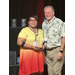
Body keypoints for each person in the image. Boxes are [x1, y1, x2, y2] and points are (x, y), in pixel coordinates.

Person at [42, 6, 65, 75]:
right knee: (50, 73)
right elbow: (45, 36)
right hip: (48, 51)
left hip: (57, 50)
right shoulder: (44, 23)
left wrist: (61, 51)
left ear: (53, 13)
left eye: (48, 12)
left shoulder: (59, 22)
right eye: (45, 13)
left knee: (56, 72)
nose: (47, 14)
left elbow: (63, 37)